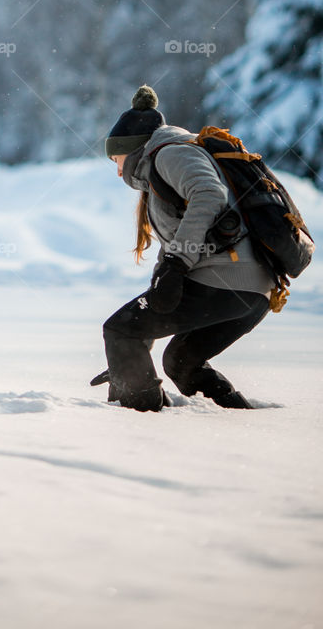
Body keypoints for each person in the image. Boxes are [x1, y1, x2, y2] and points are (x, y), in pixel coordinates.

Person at [96, 84, 273, 411]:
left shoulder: (170, 154)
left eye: (116, 160)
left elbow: (209, 193)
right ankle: (242, 421)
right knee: (181, 360)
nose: (118, 171)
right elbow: (172, 264)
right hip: (251, 293)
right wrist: (129, 361)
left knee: (119, 331)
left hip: (226, 282)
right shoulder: (167, 161)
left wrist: (176, 264)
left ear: (131, 149)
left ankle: (135, 422)